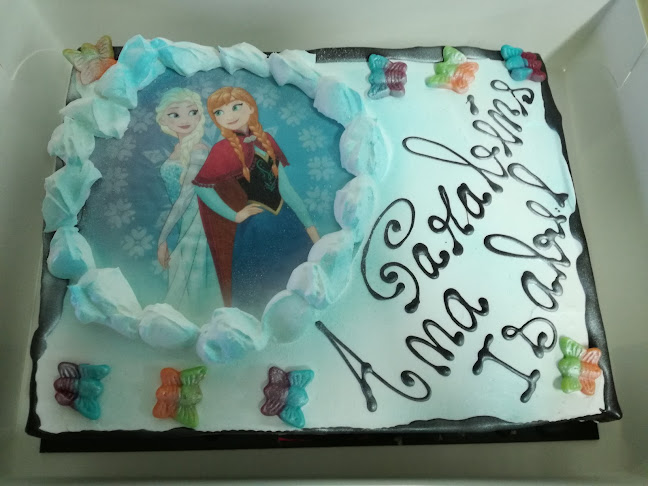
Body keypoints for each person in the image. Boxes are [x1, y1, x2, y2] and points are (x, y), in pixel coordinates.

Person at [192, 86, 319, 317]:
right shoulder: (222, 150)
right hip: (257, 230)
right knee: (264, 292)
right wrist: (235, 215)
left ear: (251, 107)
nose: (228, 115)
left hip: (287, 222)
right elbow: (201, 187)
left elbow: (286, 189)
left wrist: (310, 228)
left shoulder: (266, 139)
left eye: (235, 107)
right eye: (219, 112)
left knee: (303, 285)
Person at [155, 87, 223, 321]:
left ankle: (197, 325)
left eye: (192, 112)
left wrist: (162, 238)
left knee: (191, 279)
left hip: (199, 223)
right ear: (163, 120)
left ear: (200, 116)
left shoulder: (199, 151)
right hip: (186, 221)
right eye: (175, 114)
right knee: (186, 277)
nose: (185, 120)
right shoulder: (179, 149)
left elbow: (185, 198)